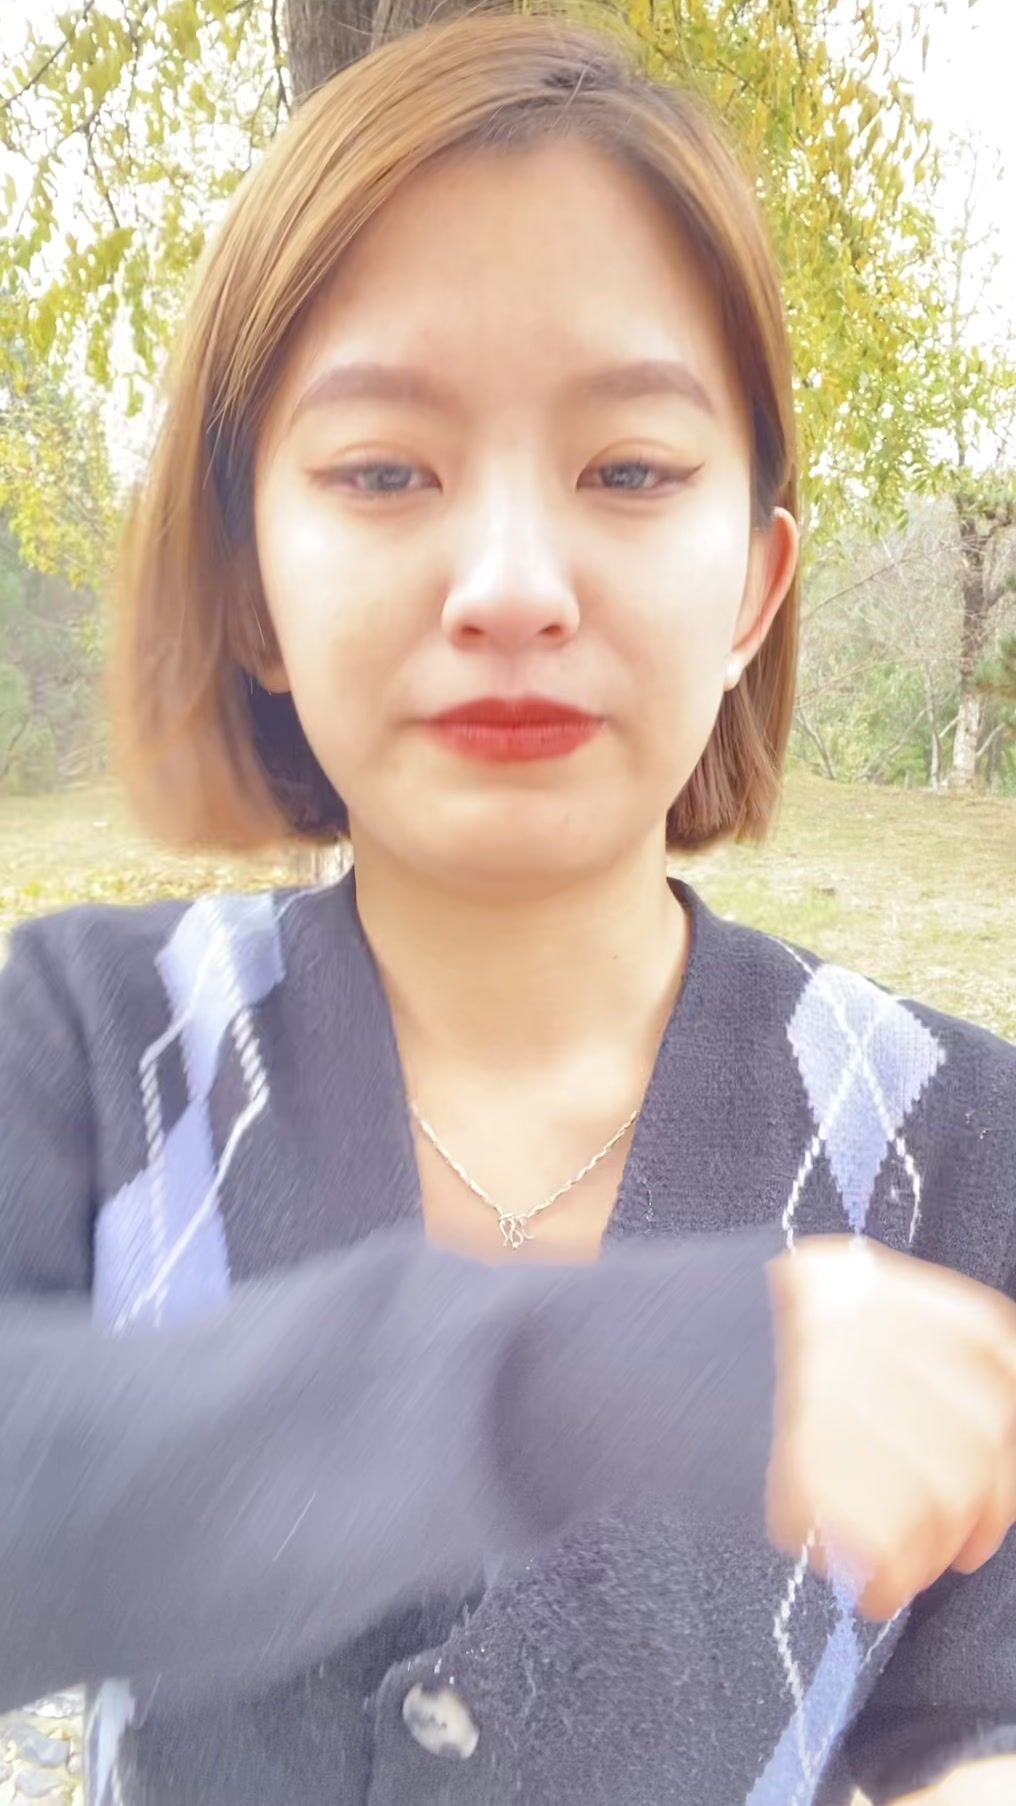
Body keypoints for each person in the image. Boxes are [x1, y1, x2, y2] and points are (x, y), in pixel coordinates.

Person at [0, 6, 1013, 1805]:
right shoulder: (83, 1046)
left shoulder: (951, 1145)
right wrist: (592, 1379)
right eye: (385, 471)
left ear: (755, 586)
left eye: (630, 470)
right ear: (250, 584)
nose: (514, 583)